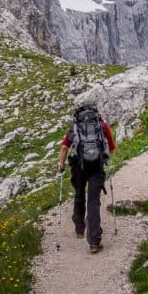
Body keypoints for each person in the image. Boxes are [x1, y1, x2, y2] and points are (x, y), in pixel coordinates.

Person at [58, 100, 116, 254]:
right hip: (96, 167)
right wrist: (103, 158)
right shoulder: (101, 126)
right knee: (93, 202)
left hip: (78, 167)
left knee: (79, 194)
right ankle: (94, 242)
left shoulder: (75, 127)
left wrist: (61, 165)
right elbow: (111, 147)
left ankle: (79, 228)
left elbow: (64, 147)